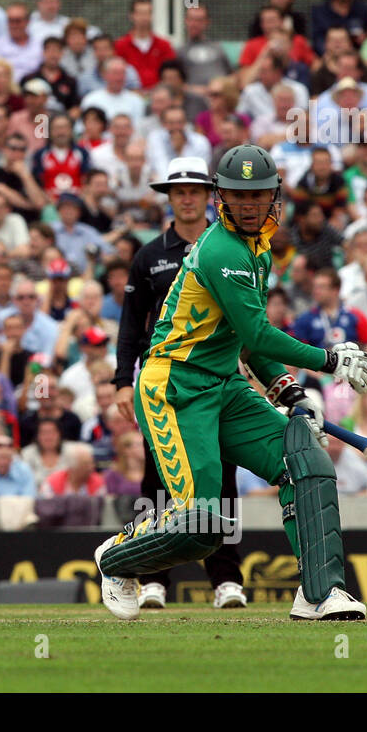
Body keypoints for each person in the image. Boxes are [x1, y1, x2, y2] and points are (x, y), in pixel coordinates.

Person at [95, 144, 367, 622]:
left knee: (305, 462)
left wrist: (287, 390)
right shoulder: (222, 250)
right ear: (221, 199)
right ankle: (115, 559)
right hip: (175, 388)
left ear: (274, 198)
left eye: (258, 195)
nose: (249, 205)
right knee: (203, 525)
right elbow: (257, 333)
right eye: (238, 195)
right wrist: (332, 360)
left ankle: (320, 593)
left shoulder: (260, 247)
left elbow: (244, 340)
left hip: (226, 383)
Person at [108, 155, 246, 609]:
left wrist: (252, 367)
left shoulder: (224, 247)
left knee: (222, 474)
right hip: (162, 383)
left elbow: (246, 319)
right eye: (179, 191)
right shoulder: (149, 256)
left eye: (195, 190)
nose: (187, 198)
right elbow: (131, 325)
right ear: (169, 197)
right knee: (158, 478)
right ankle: (153, 579)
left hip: (215, 376)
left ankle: (226, 579)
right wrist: (121, 382)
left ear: (209, 194)